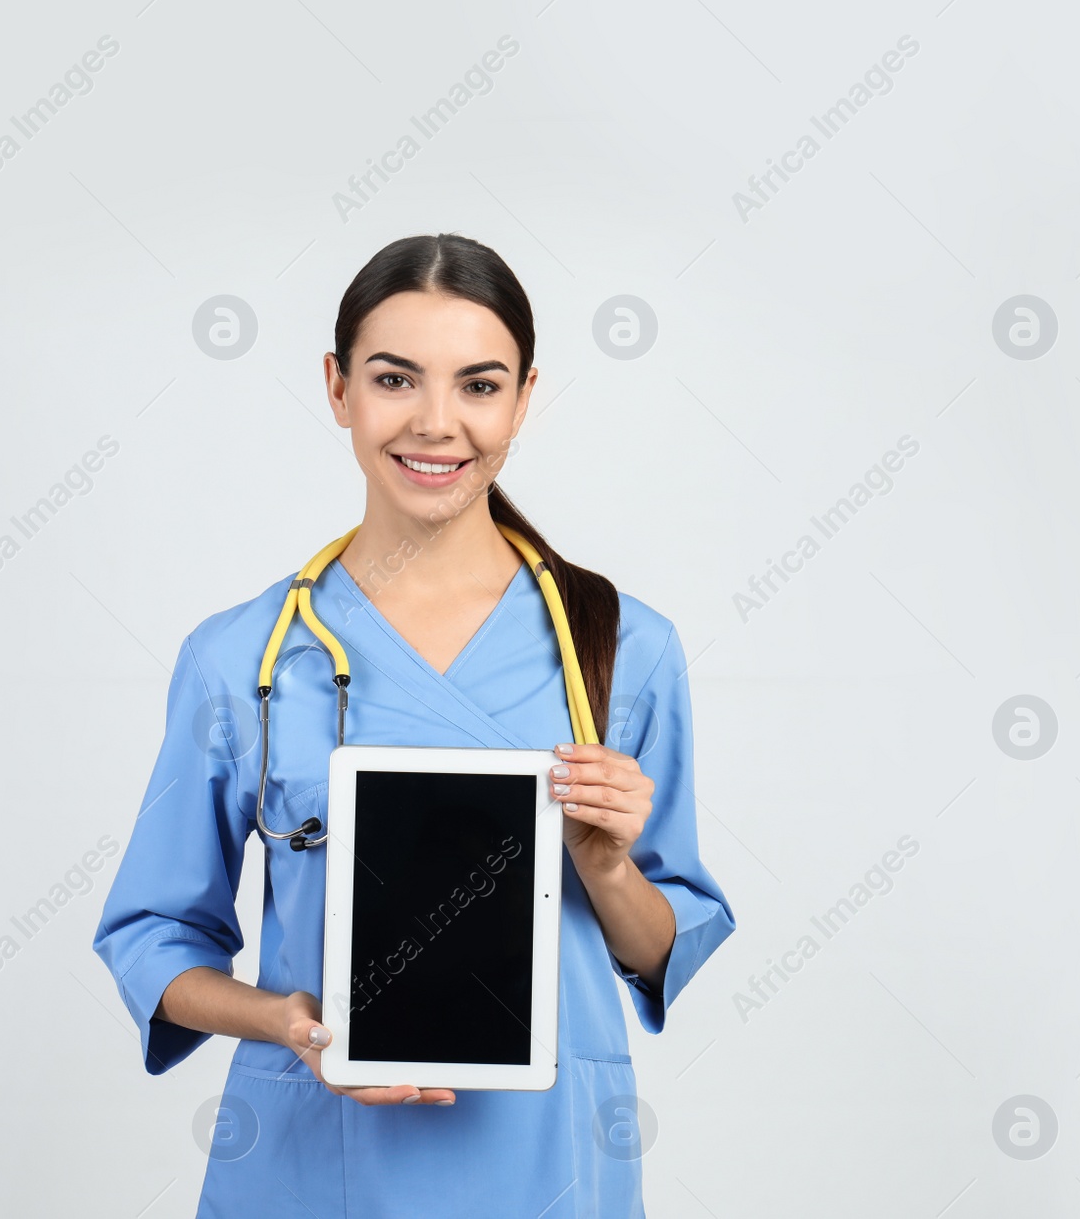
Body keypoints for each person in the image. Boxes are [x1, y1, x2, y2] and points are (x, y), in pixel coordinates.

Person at [93, 233, 735, 1216]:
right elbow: (154, 935)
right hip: (316, 1163)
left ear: (524, 397)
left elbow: (661, 946)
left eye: (478, 386)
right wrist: (291, 1023)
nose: (437, 424)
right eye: (396, 379)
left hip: (547, 1165)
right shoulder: (245, 658)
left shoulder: (621, 648)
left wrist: (607, 864)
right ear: (338, 387)